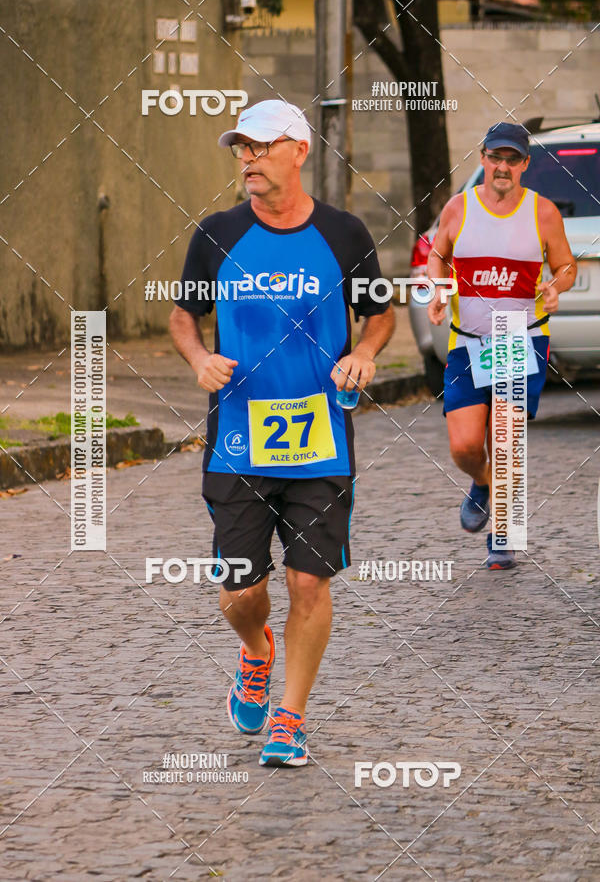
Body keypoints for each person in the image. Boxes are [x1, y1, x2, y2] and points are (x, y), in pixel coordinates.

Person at [169, 99, 394, 767]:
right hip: (239, 438)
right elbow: (183, 316)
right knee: (240, 590)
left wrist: (368, 352)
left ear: (298, 150)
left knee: (308, 585)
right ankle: (256, 650)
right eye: (240, 148)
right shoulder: (216, 233)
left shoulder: (345, 234)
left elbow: (378, 314)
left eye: (260, 146)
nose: (247, 158)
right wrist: (198, 358)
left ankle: (289, 720)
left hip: (321, 438)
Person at [427, 121, 576, 569]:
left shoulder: (542, 212)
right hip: (467, 341)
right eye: (496, 157)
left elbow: (567, 266)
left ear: (525, 164)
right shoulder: (459, 207)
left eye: (513, 159)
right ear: (483, 159)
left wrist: (555, 286)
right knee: (465, 446)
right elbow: (438, 254)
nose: (503, 166)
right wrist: (438, 289)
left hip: (520, 338)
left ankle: (505, 533)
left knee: (506, 437)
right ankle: (484, 484)